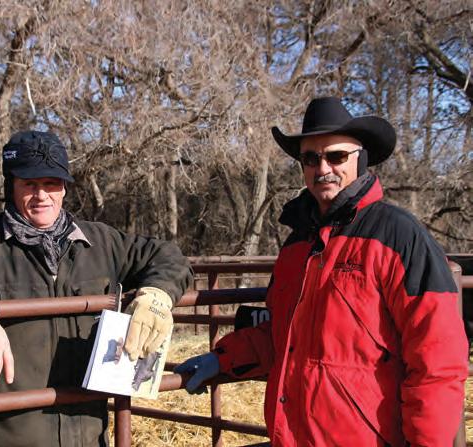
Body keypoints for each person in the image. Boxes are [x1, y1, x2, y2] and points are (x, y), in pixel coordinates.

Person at [175, 97, 468, 446]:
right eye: (311, 159)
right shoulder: (296, 244)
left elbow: (437, 357)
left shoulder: (399, 237)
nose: (323, 168)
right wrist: (223, 358)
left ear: (361, 158)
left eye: (336, 156)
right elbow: (282, 336)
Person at [0, 130, 193, 446]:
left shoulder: (101, 242)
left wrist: (157, 294)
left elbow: (169, 257)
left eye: (51, 183)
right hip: (2, 439)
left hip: (87, 438)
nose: (42, 195)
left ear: (64, 188)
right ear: (11, 187)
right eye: (30, 184)